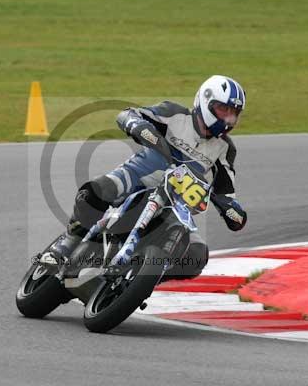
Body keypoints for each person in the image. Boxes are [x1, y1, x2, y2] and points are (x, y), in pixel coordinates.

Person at [49, 75, 248, 279]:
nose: (228, 118)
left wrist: (233, 211)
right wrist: (139, 127)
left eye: (234, 113)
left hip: (175, 207)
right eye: (223, 109)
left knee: (197, 255)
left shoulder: (225, 149)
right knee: (94, 192)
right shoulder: (174, 114)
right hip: (137, 178)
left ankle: (143, 278)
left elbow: (226, 193)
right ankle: (67, 243)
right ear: (206, 102)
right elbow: (128, 115)